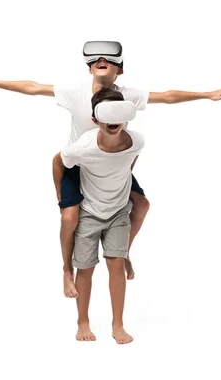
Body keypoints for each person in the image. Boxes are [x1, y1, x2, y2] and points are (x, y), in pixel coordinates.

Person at [0, 41, 221, 298]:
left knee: (141, 204)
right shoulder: (75, 92)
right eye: (95, 58)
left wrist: (205, 95)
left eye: (109, 58)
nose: (102, 59)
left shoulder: (129, 95)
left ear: (119, 68)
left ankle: (123, 251)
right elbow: (34, 87)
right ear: (90, 66)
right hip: (79, 163)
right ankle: (65, 269)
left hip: (111, 165)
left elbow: (167, 96)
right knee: (70, 218)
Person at [62, 88, 142, 344]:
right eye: (105, 115)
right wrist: (64, 201)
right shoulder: (83, 147)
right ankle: (82, 320)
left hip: (118, 210)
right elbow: (58, 163)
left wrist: (121, 183)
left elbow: (130, 160)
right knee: (84, 269)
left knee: (115, 265)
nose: (113, 120)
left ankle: (118, 324)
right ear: (95, 119)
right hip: (89, 211)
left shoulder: (137, 141)